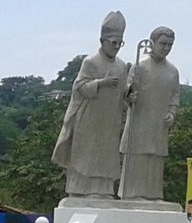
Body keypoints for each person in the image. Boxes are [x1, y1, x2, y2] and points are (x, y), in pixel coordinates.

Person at [52, 11, 129, 198]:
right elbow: (79, 87)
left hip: (110, 121)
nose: (117, 47)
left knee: (106, 155)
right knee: (86, 154)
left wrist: (130, 93)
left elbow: (124, 91)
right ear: (102, 40)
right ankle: (81, 189)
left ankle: (103, 189)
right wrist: (101, 83)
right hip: (89, 120)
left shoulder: (121, 65)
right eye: (113, 42)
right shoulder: (91, 62)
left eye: (120, 43)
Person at [118, 26, 181, 201]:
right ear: (152, 43)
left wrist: (172, 112)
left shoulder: (173, 71)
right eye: (163, 43)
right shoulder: (139, 67)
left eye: (170, 44)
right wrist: (130, 95)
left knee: (155, 159)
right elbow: (126, 93)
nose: (166, 48)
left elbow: (175, 95)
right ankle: (132, 193)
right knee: (138, 156)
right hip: (139, 122)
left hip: (159, 124)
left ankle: (153, 195)